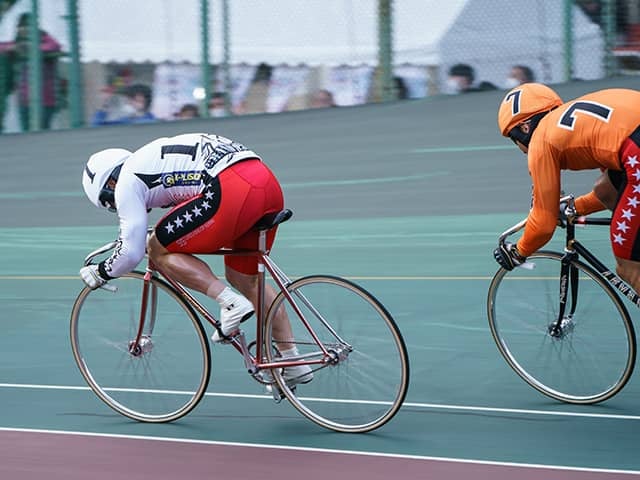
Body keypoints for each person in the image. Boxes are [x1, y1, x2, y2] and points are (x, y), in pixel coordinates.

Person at [79, 133, 313, 386]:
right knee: (245, 279)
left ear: (110, 183)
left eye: (110, 202)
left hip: (231, 187)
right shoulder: (151, 159)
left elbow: (131, 253)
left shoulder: (126, 180)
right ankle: (294, 361)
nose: (116, 206)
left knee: (158, 248)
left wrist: (101, 271)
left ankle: (230, 303)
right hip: (265, 182)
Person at [494, 82, 640, 293]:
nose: (520, 149)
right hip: (633, 147)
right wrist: (576, 208)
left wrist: (518, 251)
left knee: (629, 267)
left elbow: (543, 224)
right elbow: (612, 190)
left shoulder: (540, 141)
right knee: (604, 189)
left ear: (524, 128)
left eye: (513, 139)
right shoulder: (575, 119)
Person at [92, 83, 156, 126]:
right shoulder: (123, 118)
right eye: (128, 99)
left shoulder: (149, 121)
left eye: (136, 100)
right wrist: (104, 110)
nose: (129, 103)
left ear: (144, 103)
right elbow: (96, 127)